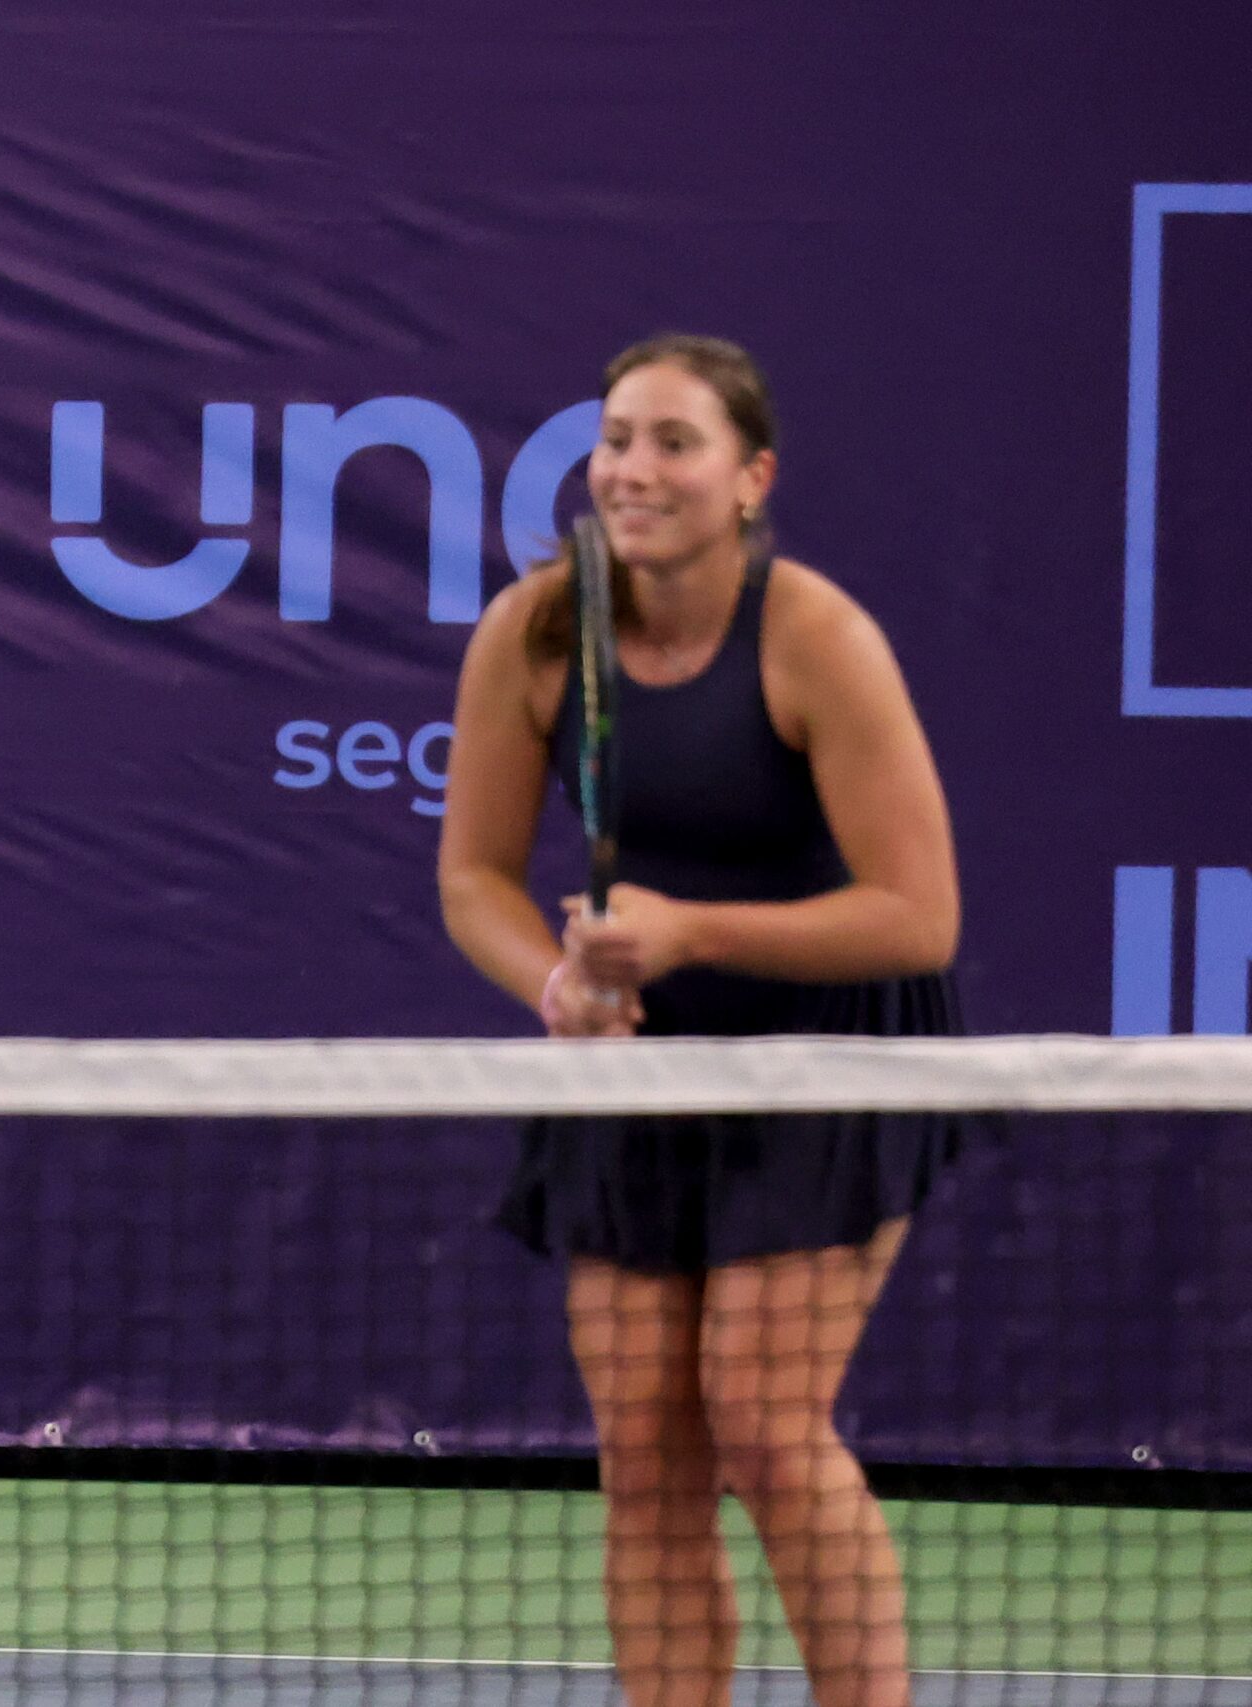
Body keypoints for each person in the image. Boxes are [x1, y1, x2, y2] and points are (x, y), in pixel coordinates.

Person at [437, 335, 962, 1707]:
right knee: (647, 1453)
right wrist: (553, 985)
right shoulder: (536, 633)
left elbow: (918, 916)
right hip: (642, 1068)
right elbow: (474, 877)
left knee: (766, 1423)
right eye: (617, 439)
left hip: (824, 1055)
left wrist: (690, 932)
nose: (634, 469)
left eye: (676, 442)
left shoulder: (817, 639)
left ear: (749, 479)